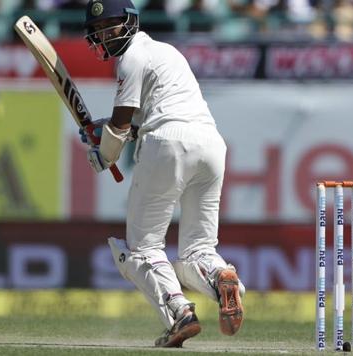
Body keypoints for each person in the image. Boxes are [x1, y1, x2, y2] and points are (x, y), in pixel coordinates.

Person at [79, 0, 245, 348]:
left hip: (167, 144)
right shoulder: (167, 52)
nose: (105, 35)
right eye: (99, 30)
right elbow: (141, 120)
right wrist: (102, 130)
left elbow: (123, 125)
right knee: (197, 252)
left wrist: (103, 156)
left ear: (130, 22)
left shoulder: (131, 58)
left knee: (141, 250)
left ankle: (180, 313)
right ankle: (222, 276)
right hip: (211, 146)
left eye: (111, 26)